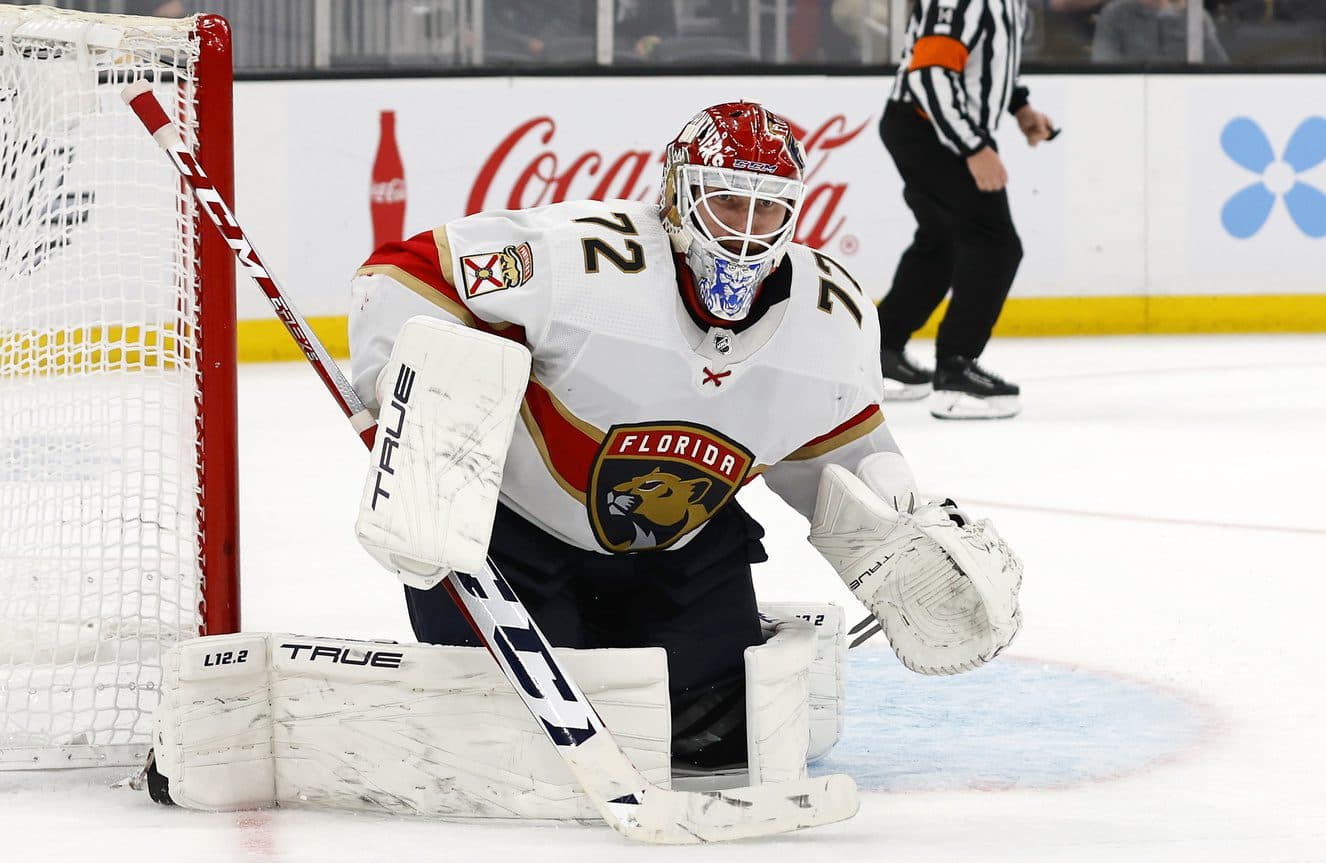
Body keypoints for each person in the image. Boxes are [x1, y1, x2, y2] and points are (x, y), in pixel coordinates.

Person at [348, 100, 1022, 772]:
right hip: (511, 539)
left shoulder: (832, 315)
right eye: (728, 202)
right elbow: (405, 273)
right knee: (514, 741)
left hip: (680, 553)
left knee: (720, 737)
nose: (748, 232)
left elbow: (839, 453)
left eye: (769, 209)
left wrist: (900, 527)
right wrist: (407, 408)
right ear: (675, 195)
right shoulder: (582, 261)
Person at [875, 0, 1055, 419]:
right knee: (996, 243)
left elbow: (986, 62)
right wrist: (973, 148)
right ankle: (956, 369)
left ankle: (879, 351)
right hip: (927, 128)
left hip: (929, 127)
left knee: (943, 240)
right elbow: (929, 73)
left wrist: (1021, 108)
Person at [1092, 0, 1229, 62]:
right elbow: (1103, 69)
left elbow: (1219, 71)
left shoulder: (1196, 16)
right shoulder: (1116, 13)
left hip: (1186, 102)